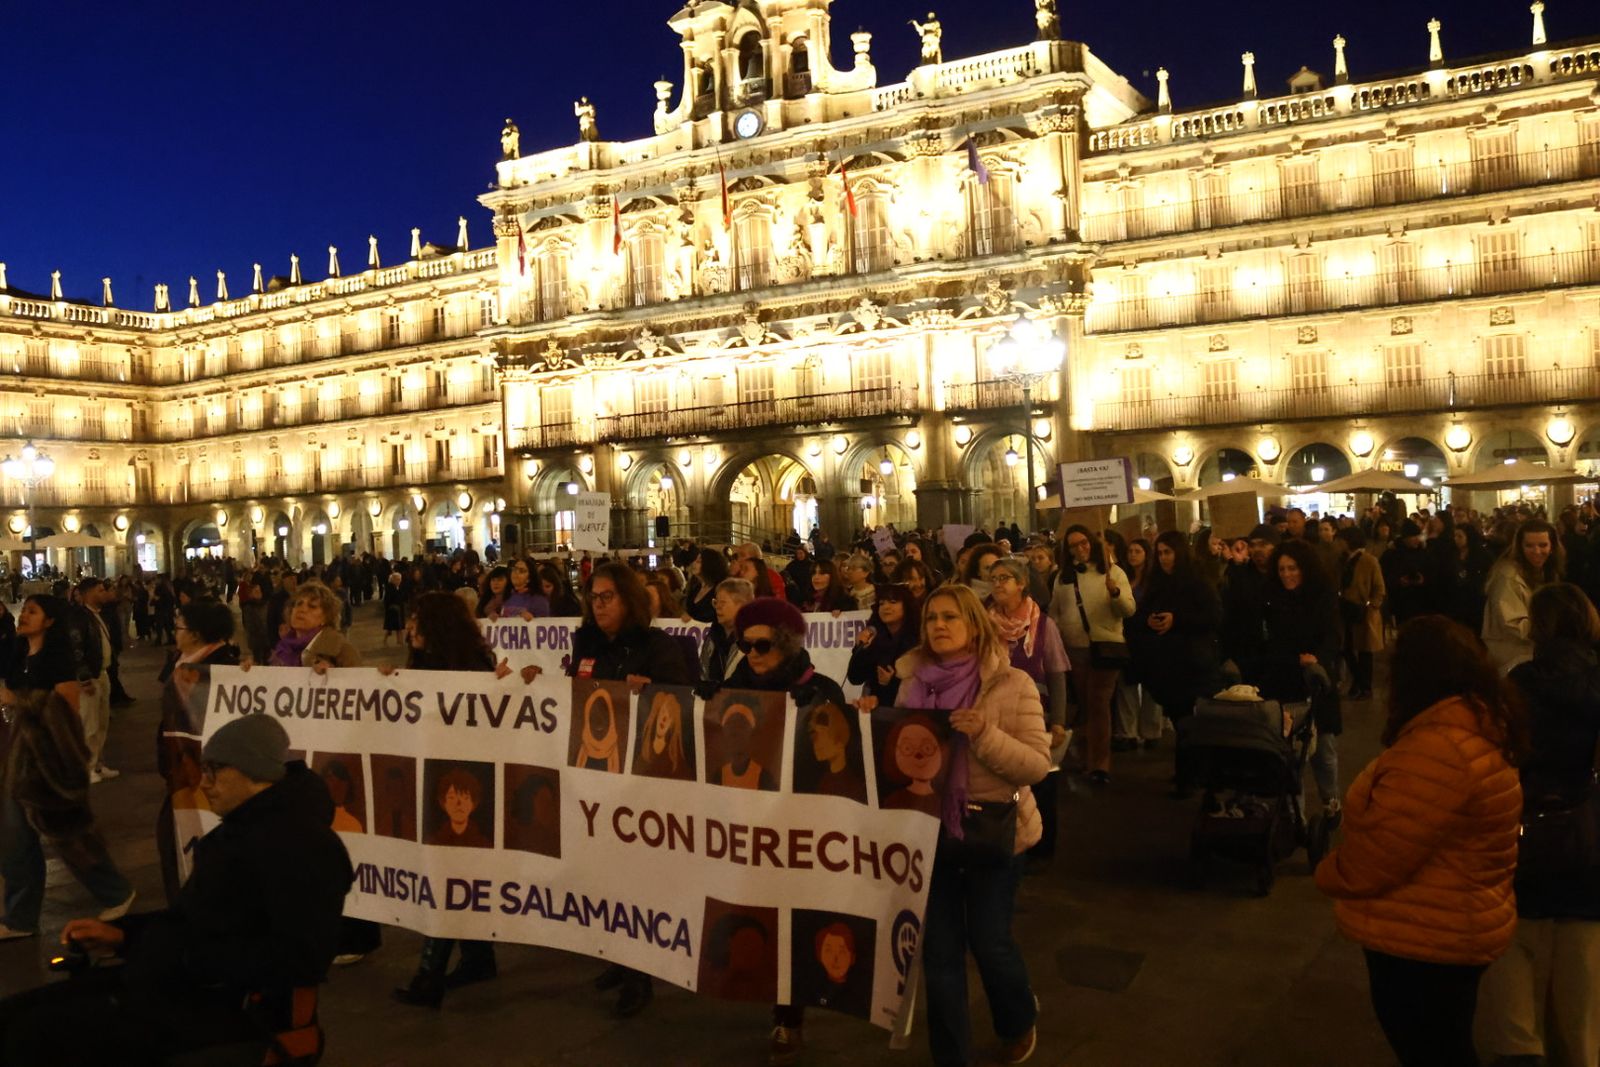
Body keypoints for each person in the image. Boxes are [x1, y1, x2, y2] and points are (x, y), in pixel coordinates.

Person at [0, 715, 354, 1067]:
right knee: (19, 1017)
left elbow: (300, 960)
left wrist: (181, 957)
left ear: (256, 773)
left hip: (235, 1011)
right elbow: (193, 918)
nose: (204, 782)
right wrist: (124, 935)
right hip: (180, 985)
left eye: (215, 770)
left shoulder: (300, 847)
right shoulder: (243, 831)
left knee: (34, 1038)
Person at [1315, 616, 1525, 1067]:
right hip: (1451, 921)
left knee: (1432, 1049)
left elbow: (1382, 853)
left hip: (1423, 933)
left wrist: (1329, 872)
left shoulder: (1439, 748)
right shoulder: (1476, 727)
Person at [896, 583, 1050, 1067]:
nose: (938, 626)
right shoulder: (912, 683)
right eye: (931, 618)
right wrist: (873, 724)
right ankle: (951, 1056)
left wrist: (984, 733)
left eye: (950, 617)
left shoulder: (1011, 684)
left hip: (994, 833)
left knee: (990, 942)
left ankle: (1017, 1017)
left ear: (974, 626)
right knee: (940, 955)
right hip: (930, 835)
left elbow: (1036, 765)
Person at [1476, 584, 1600, 1067]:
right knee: (1582, 976)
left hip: (1524, 836)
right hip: (1588, 842)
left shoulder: (1517, 682)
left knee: (1514, 955)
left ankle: (1519, 1049)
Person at [569, 562, 694, 1018]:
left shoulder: (656, 646)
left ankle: (640, 974)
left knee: (637, 878)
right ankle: (617, 956)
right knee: (603, 874)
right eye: (593, 598)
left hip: (642, 780)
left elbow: (681, 701)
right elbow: (576, 691)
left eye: (607, 597)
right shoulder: (586, 643)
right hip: (597, 773)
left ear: (628, 600)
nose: (598, 606)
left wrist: (652, 690)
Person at [392, 592, 506, 1008]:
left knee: (446, 873)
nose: (410, 628)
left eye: (417, 620)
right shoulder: (422, 664)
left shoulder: (473, 667)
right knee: (453, 873)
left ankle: (430, 975)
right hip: (434, 779)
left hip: (464, 783)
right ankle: (478, 957)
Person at [0, 595, 135, 942]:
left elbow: (64, 708)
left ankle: (116, 892)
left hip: (49, 759)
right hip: (17, 756)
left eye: (32, 611)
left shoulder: (57, 659)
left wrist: (17, 700)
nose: (23, 615)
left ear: (50, 621)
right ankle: (20, 917)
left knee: (68, 835)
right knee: (16, 839)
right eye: (24, 610)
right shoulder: (17, 653)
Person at [154, 598, 241, 904]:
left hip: (205, 773)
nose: (174, 632)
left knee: (184, 841)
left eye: (179, 627)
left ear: (196, 633)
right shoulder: (182, 660)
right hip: (181, 769)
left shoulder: (222, 666)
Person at [987, 557, 1069, 864]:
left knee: (1039, 781)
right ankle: (1007, 839)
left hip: (1035, 715)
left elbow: (1057, 675)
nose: (997, 584)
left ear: (1022, 584)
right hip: (996, 715)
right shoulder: (984, 622)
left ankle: (1040, 847)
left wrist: (1058, 721)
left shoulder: (1043, 625)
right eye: (993, 578)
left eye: (1004, 578)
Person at [1255, 540, 1343, 821]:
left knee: (1324, 750)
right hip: (1284, 680)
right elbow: (1267, 641)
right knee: (1292, 753)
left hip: (1318, 680)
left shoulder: (1323, 595)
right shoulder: (1271, 597)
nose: (1286, 574)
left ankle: (1331, 800)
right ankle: (1297, 817)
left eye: (1292, 568)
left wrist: (1317, 659)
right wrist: (1293, 659)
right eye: (1282, 569)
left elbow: (1332, 636)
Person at [1049, 526, 1134, 785]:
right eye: (1073, 545)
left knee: (1098, 702)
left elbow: (1128, 610)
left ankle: (1100, 763)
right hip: (1074, 648)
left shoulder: (1113, 572)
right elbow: (1055, 610)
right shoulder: (1064, 576)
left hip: (1105, 646)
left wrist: (1115, 594)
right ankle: (1087, 758)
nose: (1080, 549)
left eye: (1083, 542)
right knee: (1086, 703)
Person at [1483, 518, 1563, 673]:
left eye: (1543, 545)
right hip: (1512, 657)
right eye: (1529, 545)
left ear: (1552, 546)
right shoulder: (1508, 577)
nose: (1537, 551)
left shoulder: (1547, 571)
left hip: (1532, 654)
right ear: (1519, 547)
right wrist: (1553, 628)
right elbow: (1512, 623)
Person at [1113, 537, 1163, 751]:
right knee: (1127, 686)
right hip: (1128, 636)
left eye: (1137, 551)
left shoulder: (1153, 581)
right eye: (1130, 551)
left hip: (1149, 637)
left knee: (1151, 686)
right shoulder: (1123, 577)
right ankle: (1128, 731)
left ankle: (1151, 731)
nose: (1132, 555)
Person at [846, 583, 920, 709]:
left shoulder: (916, 640)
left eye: (893, 602)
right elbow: (855, 678)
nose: (886, 607)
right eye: (881, 603)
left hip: (905, 710)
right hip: (876, 709)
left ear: (906, 606)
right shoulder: (875, 637)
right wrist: (862, 649)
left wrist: (891, 682)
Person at [1337, 527, 1386, 701]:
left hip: (1363, 611)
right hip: (1347, 609)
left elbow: (1379, 588)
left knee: (1365, 651)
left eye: (1342, 540)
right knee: (1346, 647)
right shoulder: (1345, 560)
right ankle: (1358, 682)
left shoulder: (1369, 560)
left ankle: (1364, 686)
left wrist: (1371, 605)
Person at [267, 581, 361, 670]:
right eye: (298, 604)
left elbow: (356, 679)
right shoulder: (281, 648)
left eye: (312, 606)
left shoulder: (342, 650)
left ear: (326, 617)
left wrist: (332, 675)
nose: (302, 610)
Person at [699, 578, 755, 692]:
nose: (717, 607)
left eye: (722, 602)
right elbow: (703, 675)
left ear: (742, 606)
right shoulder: (712, 637)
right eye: (715, 602)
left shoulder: (752, 640)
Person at [685, 548, 730, 624]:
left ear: (709, 565)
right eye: (695, 560)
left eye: (698, 562)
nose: (694, 563)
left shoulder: (720, 589)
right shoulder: (696, 588)